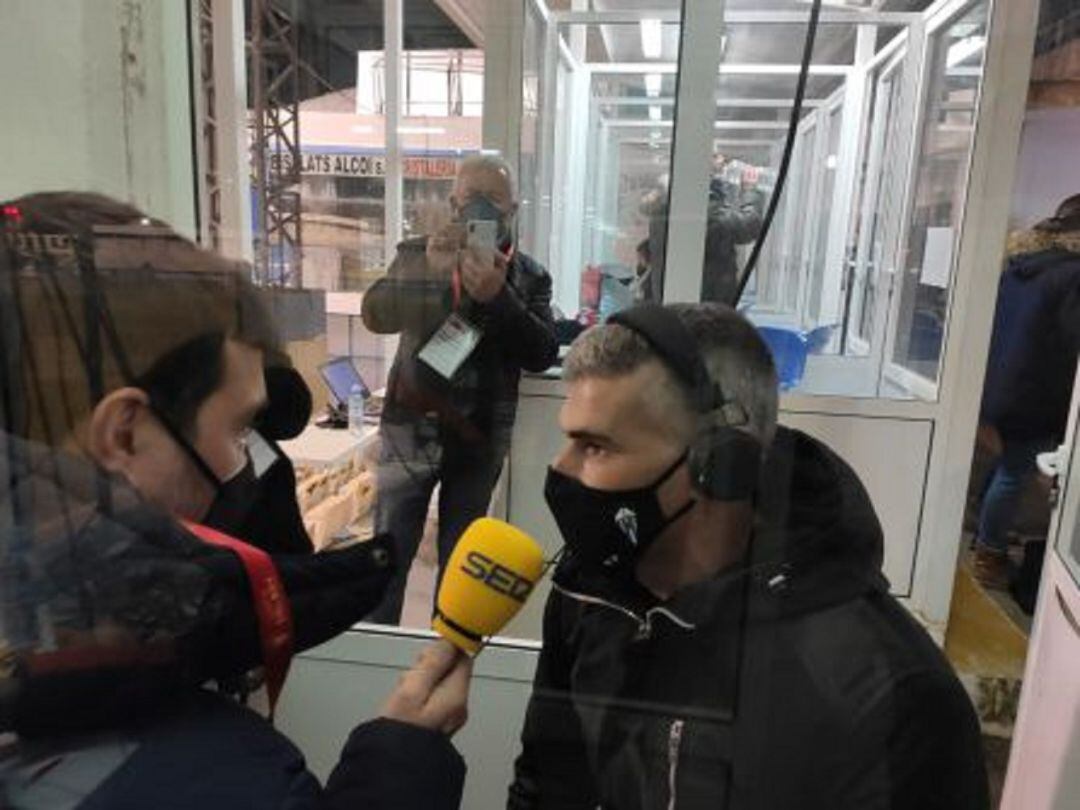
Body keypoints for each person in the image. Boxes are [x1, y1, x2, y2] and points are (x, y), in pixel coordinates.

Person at [0, 192, 472, 808]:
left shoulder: (60, 658)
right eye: (236, 431)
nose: (253, 467)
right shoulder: (223, 778)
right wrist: (404, 759)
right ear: (123, 433)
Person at [508, 302, 988, 809]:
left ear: (719, 465)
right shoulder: (591, 593)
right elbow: (550, 785)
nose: (561, 468)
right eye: (569, 439)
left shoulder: (891, 692)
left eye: (595, 447)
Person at [363, 154, 558, 624]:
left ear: (513, 209)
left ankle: (441, 655)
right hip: (410, 430)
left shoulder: (528, 275)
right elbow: (376, 315)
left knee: (458, 563)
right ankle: (377, 649)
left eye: (494, 199)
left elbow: (543, 351)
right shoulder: (417, 252)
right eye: (471, 197)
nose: (481, 209)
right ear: (453, 202)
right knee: (388, 553)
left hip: (480, 437)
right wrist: (427, 272)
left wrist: (499, 298)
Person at [974, 194, 1080, 595]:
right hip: (1036, 389)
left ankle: (984, 534)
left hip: (1002, 380)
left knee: (1006, 463)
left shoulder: (1022, 266)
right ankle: (989, 552)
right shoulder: (1073, 276)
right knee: (1014, 472)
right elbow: (1071, 345)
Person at [644, 155, 764, 305]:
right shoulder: (698, 207)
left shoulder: (668, 200)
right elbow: (748, 226)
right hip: (704, 301)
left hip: (680, 295)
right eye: (714, 156)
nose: (721, 159)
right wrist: (750, 190)